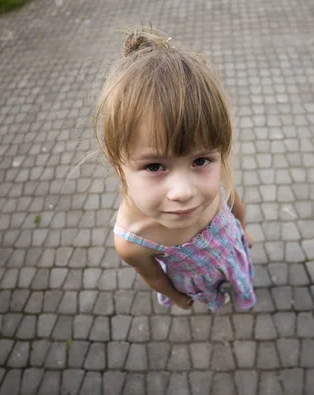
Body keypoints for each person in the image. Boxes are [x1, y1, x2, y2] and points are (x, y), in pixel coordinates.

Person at [93, 27, 256, 311]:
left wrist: (242, 230)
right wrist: (179, 298)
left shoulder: (216, 182)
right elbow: (152, 275)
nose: (183, 192)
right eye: (154, 166)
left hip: (233, 254)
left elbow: (232, 200)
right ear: (117, 163)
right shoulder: (132, 241)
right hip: (197, 282)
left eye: (200, 161)